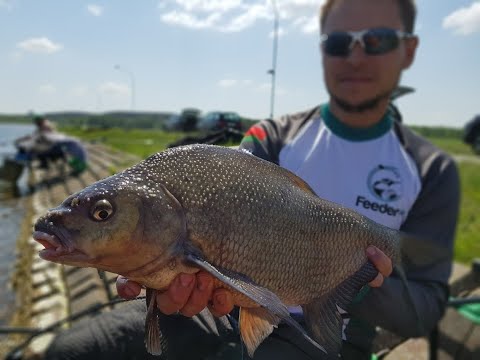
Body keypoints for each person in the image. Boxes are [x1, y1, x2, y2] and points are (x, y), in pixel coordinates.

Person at [45, 0, 460, 359]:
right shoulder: (272, 136)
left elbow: (422, 310)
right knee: (73, 350)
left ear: (409, 50)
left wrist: (353, 285)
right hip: (227, 311)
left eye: (378, 40)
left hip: (327, 332)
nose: (354, 57)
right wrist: (154, 270)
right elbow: (205, 211)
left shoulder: (431, 169)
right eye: (338, 43)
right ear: (322, 52)